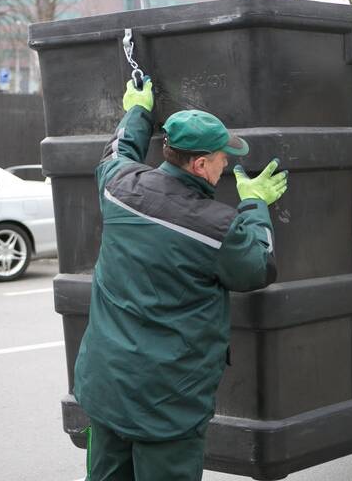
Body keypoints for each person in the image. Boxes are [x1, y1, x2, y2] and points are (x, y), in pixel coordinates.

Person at [73, 77, 287, 481]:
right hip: (165, 406)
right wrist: (255, 204)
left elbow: (117, 150)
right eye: (223, 158)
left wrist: (137, 109)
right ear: (200, 164)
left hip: (105, 387)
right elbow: (259, 266)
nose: (226, 165)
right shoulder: (215, 228)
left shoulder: (119, 188)